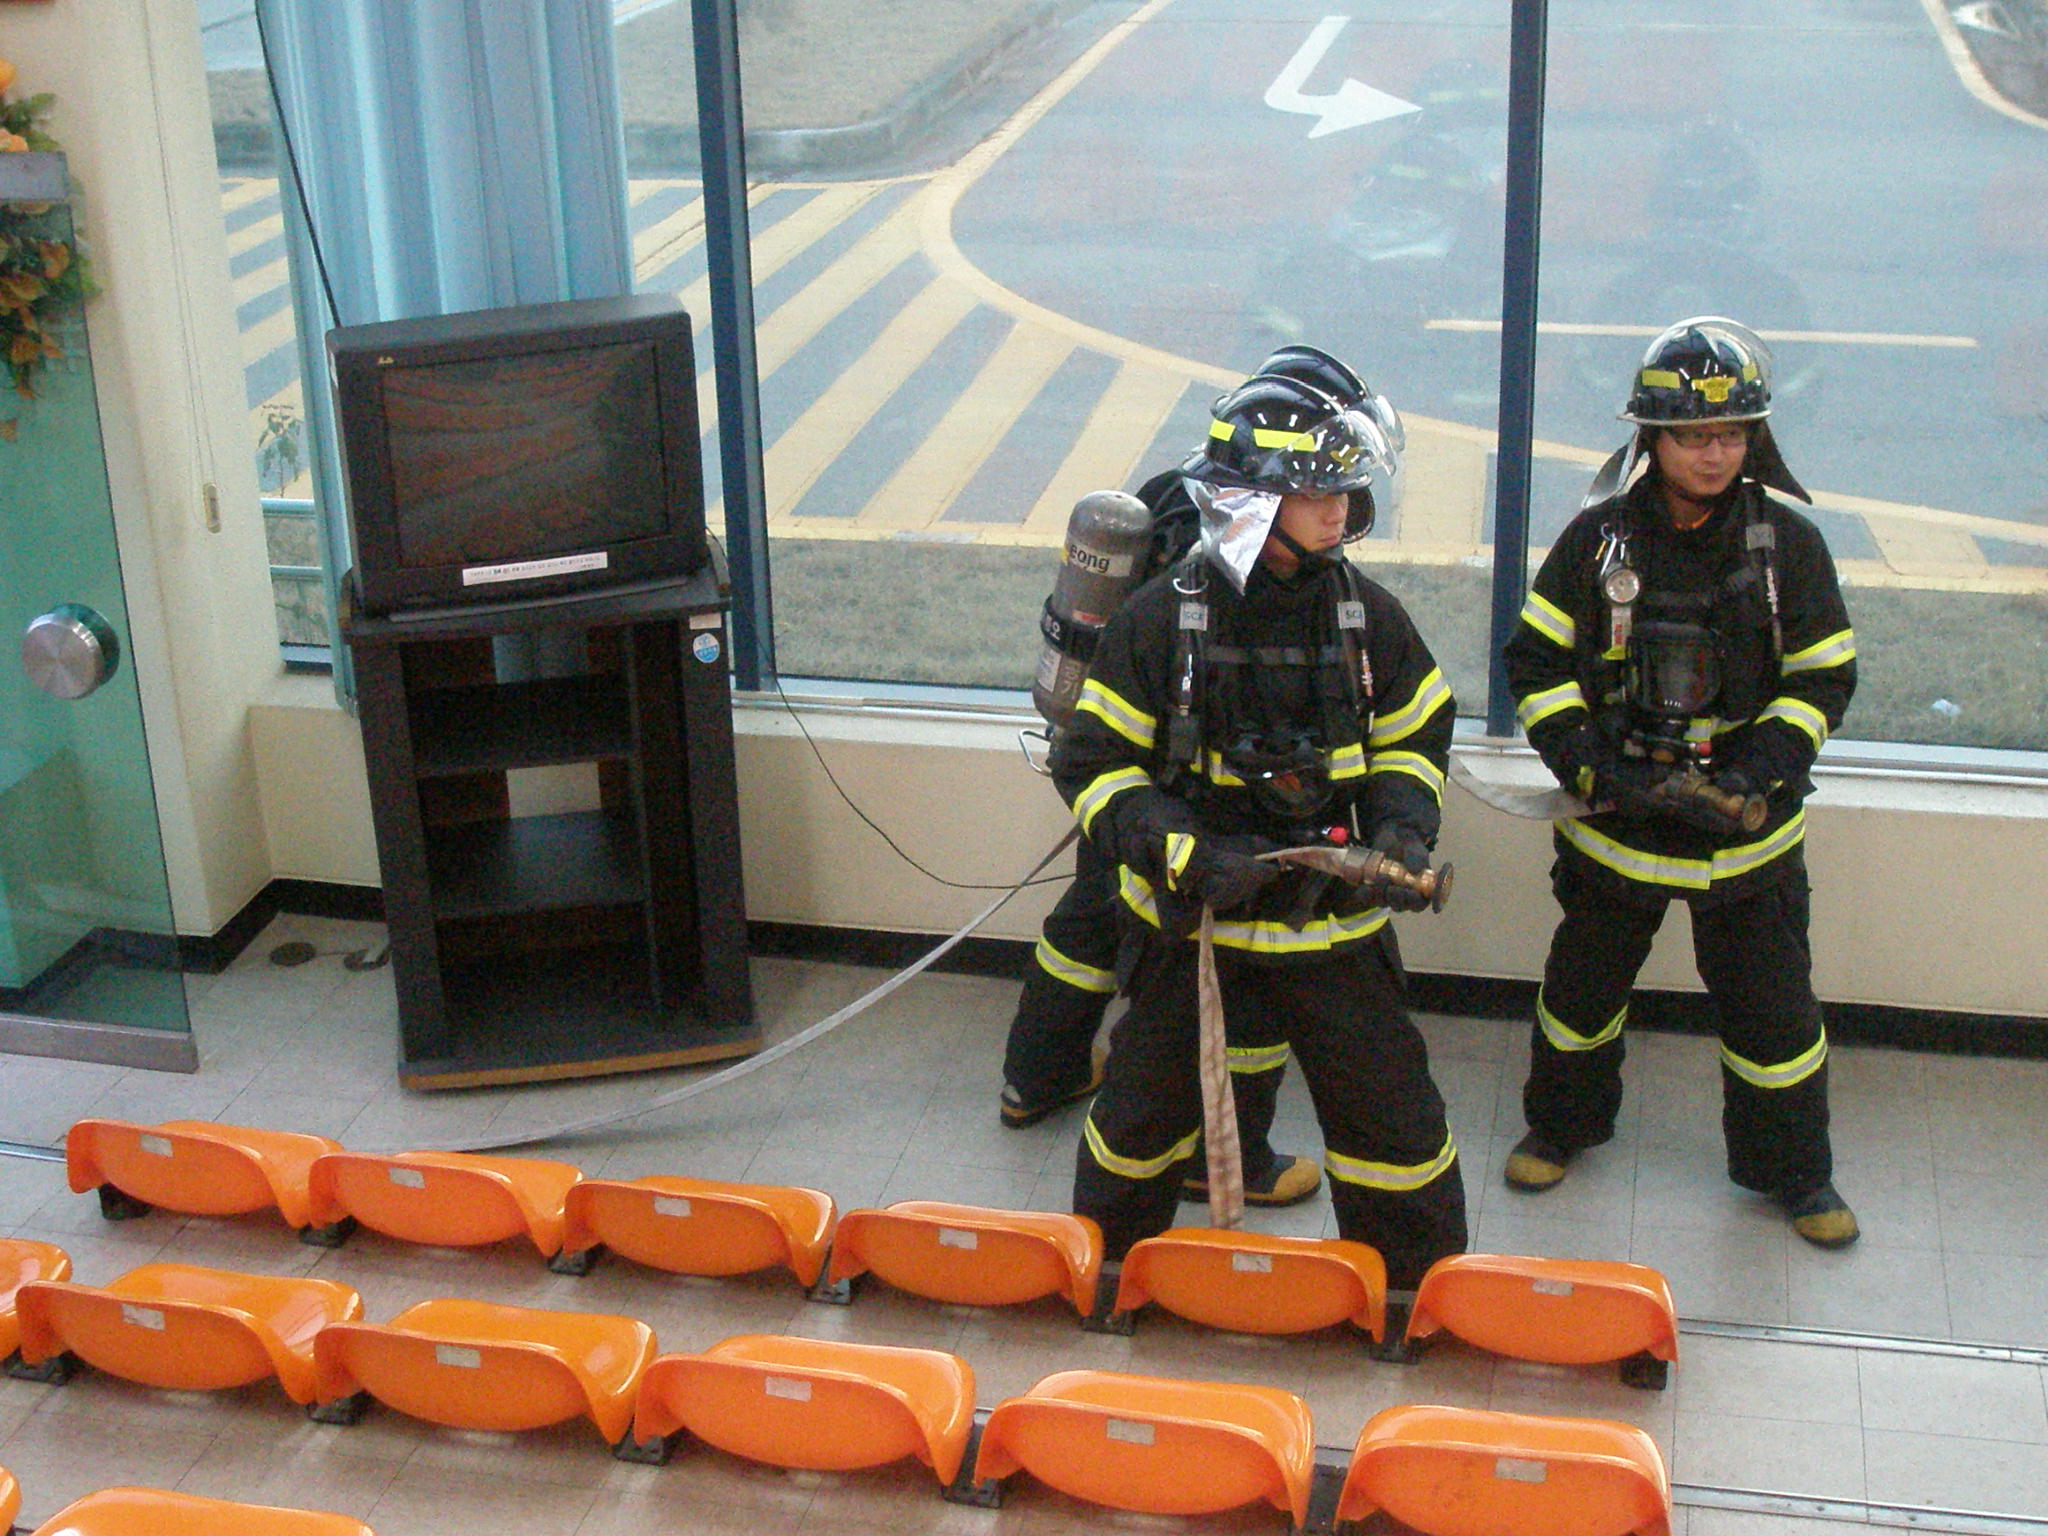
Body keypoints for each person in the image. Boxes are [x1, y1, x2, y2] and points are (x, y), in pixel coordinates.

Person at [1048, 369, 1467, 1292]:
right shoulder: (1160, 620)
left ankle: (1419, 1297)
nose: (1339, 508)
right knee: (1138, 1128)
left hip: (1334, 932)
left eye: (1345, 487)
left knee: (1395, 1126)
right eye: (1316, 491)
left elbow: (1415, 737)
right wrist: (1179, 848)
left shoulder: (1368, 619)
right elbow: (1093, 765)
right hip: (1190, 932)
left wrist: (1402, 828)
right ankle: (1109, 1281)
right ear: (1248, 500)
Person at [1500, 316, 1860, 1248]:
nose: (1714, 453)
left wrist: (1758, 769)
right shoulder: (1597, 543)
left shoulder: (1788, 547)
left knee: (1775, 1018)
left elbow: (1825, 676)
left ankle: (1797, 1174)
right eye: (1695, 435)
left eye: (1732, 433)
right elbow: (1535, 665)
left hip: (1748, 836)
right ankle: (1560, 1127)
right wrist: (1594, 766)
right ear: (1651, 439)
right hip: (1615, 825)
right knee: (1581, 997)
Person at [1000, 347, 1384, 1213]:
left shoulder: (1180, 489)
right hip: (1170, 797)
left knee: (1084, 925)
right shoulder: (1217, 544)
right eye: (1322, 473)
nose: (1338, 496)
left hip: (1126, 775)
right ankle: (1225, 1156)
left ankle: (1035, 1075)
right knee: (1165, 973)